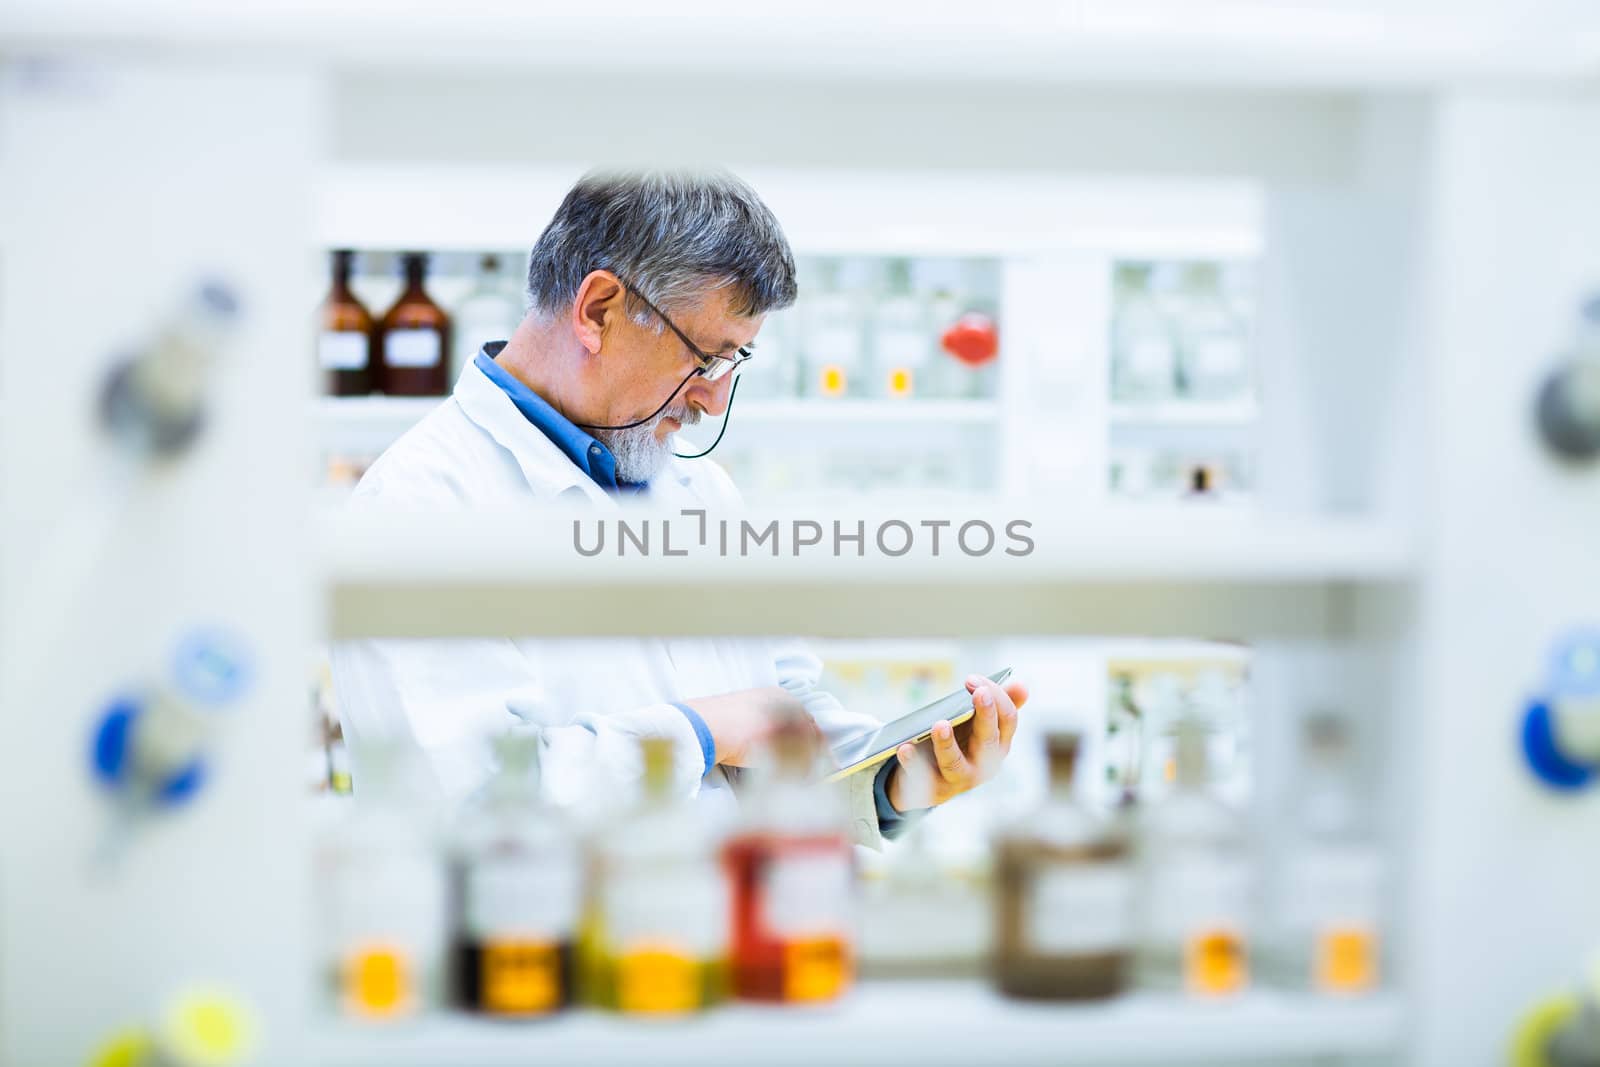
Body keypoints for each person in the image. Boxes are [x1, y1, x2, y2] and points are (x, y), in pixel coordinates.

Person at [331, 170, 1027, 846]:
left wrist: (898, 781)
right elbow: (467, 801)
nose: (713, 398)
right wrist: (696, 731)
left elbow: (781, 716)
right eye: (705, 358)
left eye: (734, 363)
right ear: (598, 309)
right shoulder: (420, 505)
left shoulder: (702, 495)